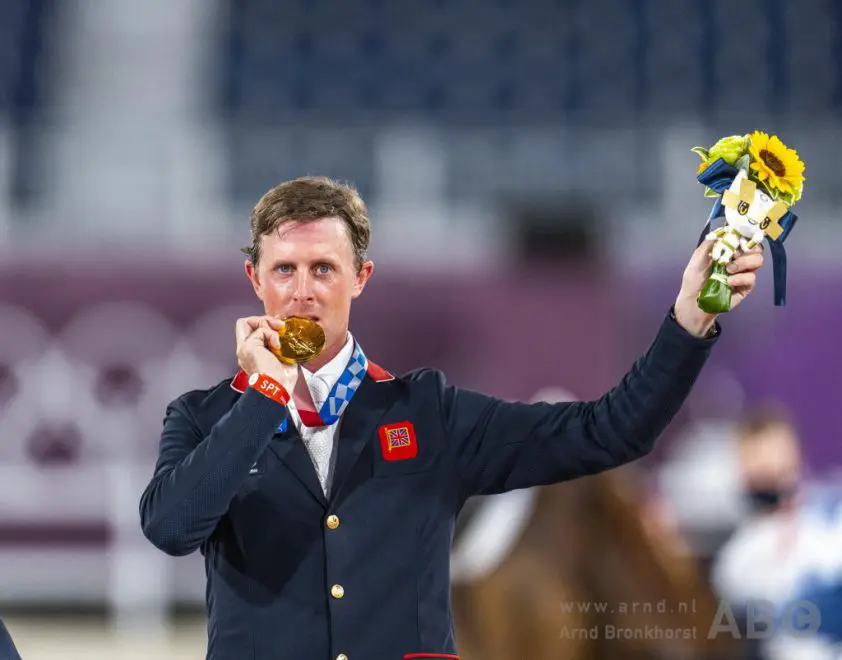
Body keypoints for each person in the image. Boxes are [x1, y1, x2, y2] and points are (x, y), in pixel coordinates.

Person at [138, 176, 765, 660]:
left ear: (361, 278)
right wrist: (264, 396)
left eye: (323, 268)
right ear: (255, 279)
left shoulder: (430, 414)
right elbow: (169, 527)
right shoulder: (203, 417)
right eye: (284, 270)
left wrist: (690, 318)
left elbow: (612, 430)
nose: (303, 290)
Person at [711, 406, 842, 660]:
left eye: (782, 464)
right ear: (743, 472)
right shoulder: (737, 561)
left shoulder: (832, 516)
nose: (777, 474)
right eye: (762, 468)